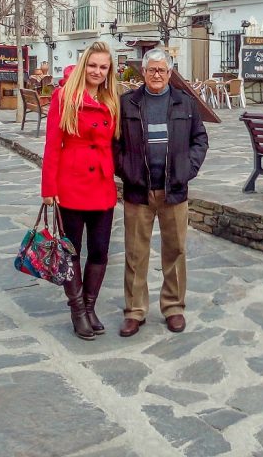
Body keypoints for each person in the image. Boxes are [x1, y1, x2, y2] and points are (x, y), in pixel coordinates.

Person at [115, 49, 208, 336]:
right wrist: (127, 169)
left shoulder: (185, 103)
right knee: (135, 252)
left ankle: (173, 307)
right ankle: (134, 311)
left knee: (176, 250)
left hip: (174, 189)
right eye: (152, 69)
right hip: (138, 190)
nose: (157, 75)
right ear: (143, 72)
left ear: (170, 73)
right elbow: (114, 143)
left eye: (162, 70)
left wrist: (186, 170)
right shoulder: (127, 103)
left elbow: (200, 140)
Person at [40, 41, 120, 340]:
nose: (97, 71)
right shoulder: (65, 96)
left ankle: (90, 306)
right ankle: (77, 311)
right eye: (93, 65)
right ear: (84, 64)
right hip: (71, 182)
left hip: (101, 183)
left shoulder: (111, 98)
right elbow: (52, 144)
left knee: (99, 250)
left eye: (103, 67)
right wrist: (48, 187)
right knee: (71, 250)